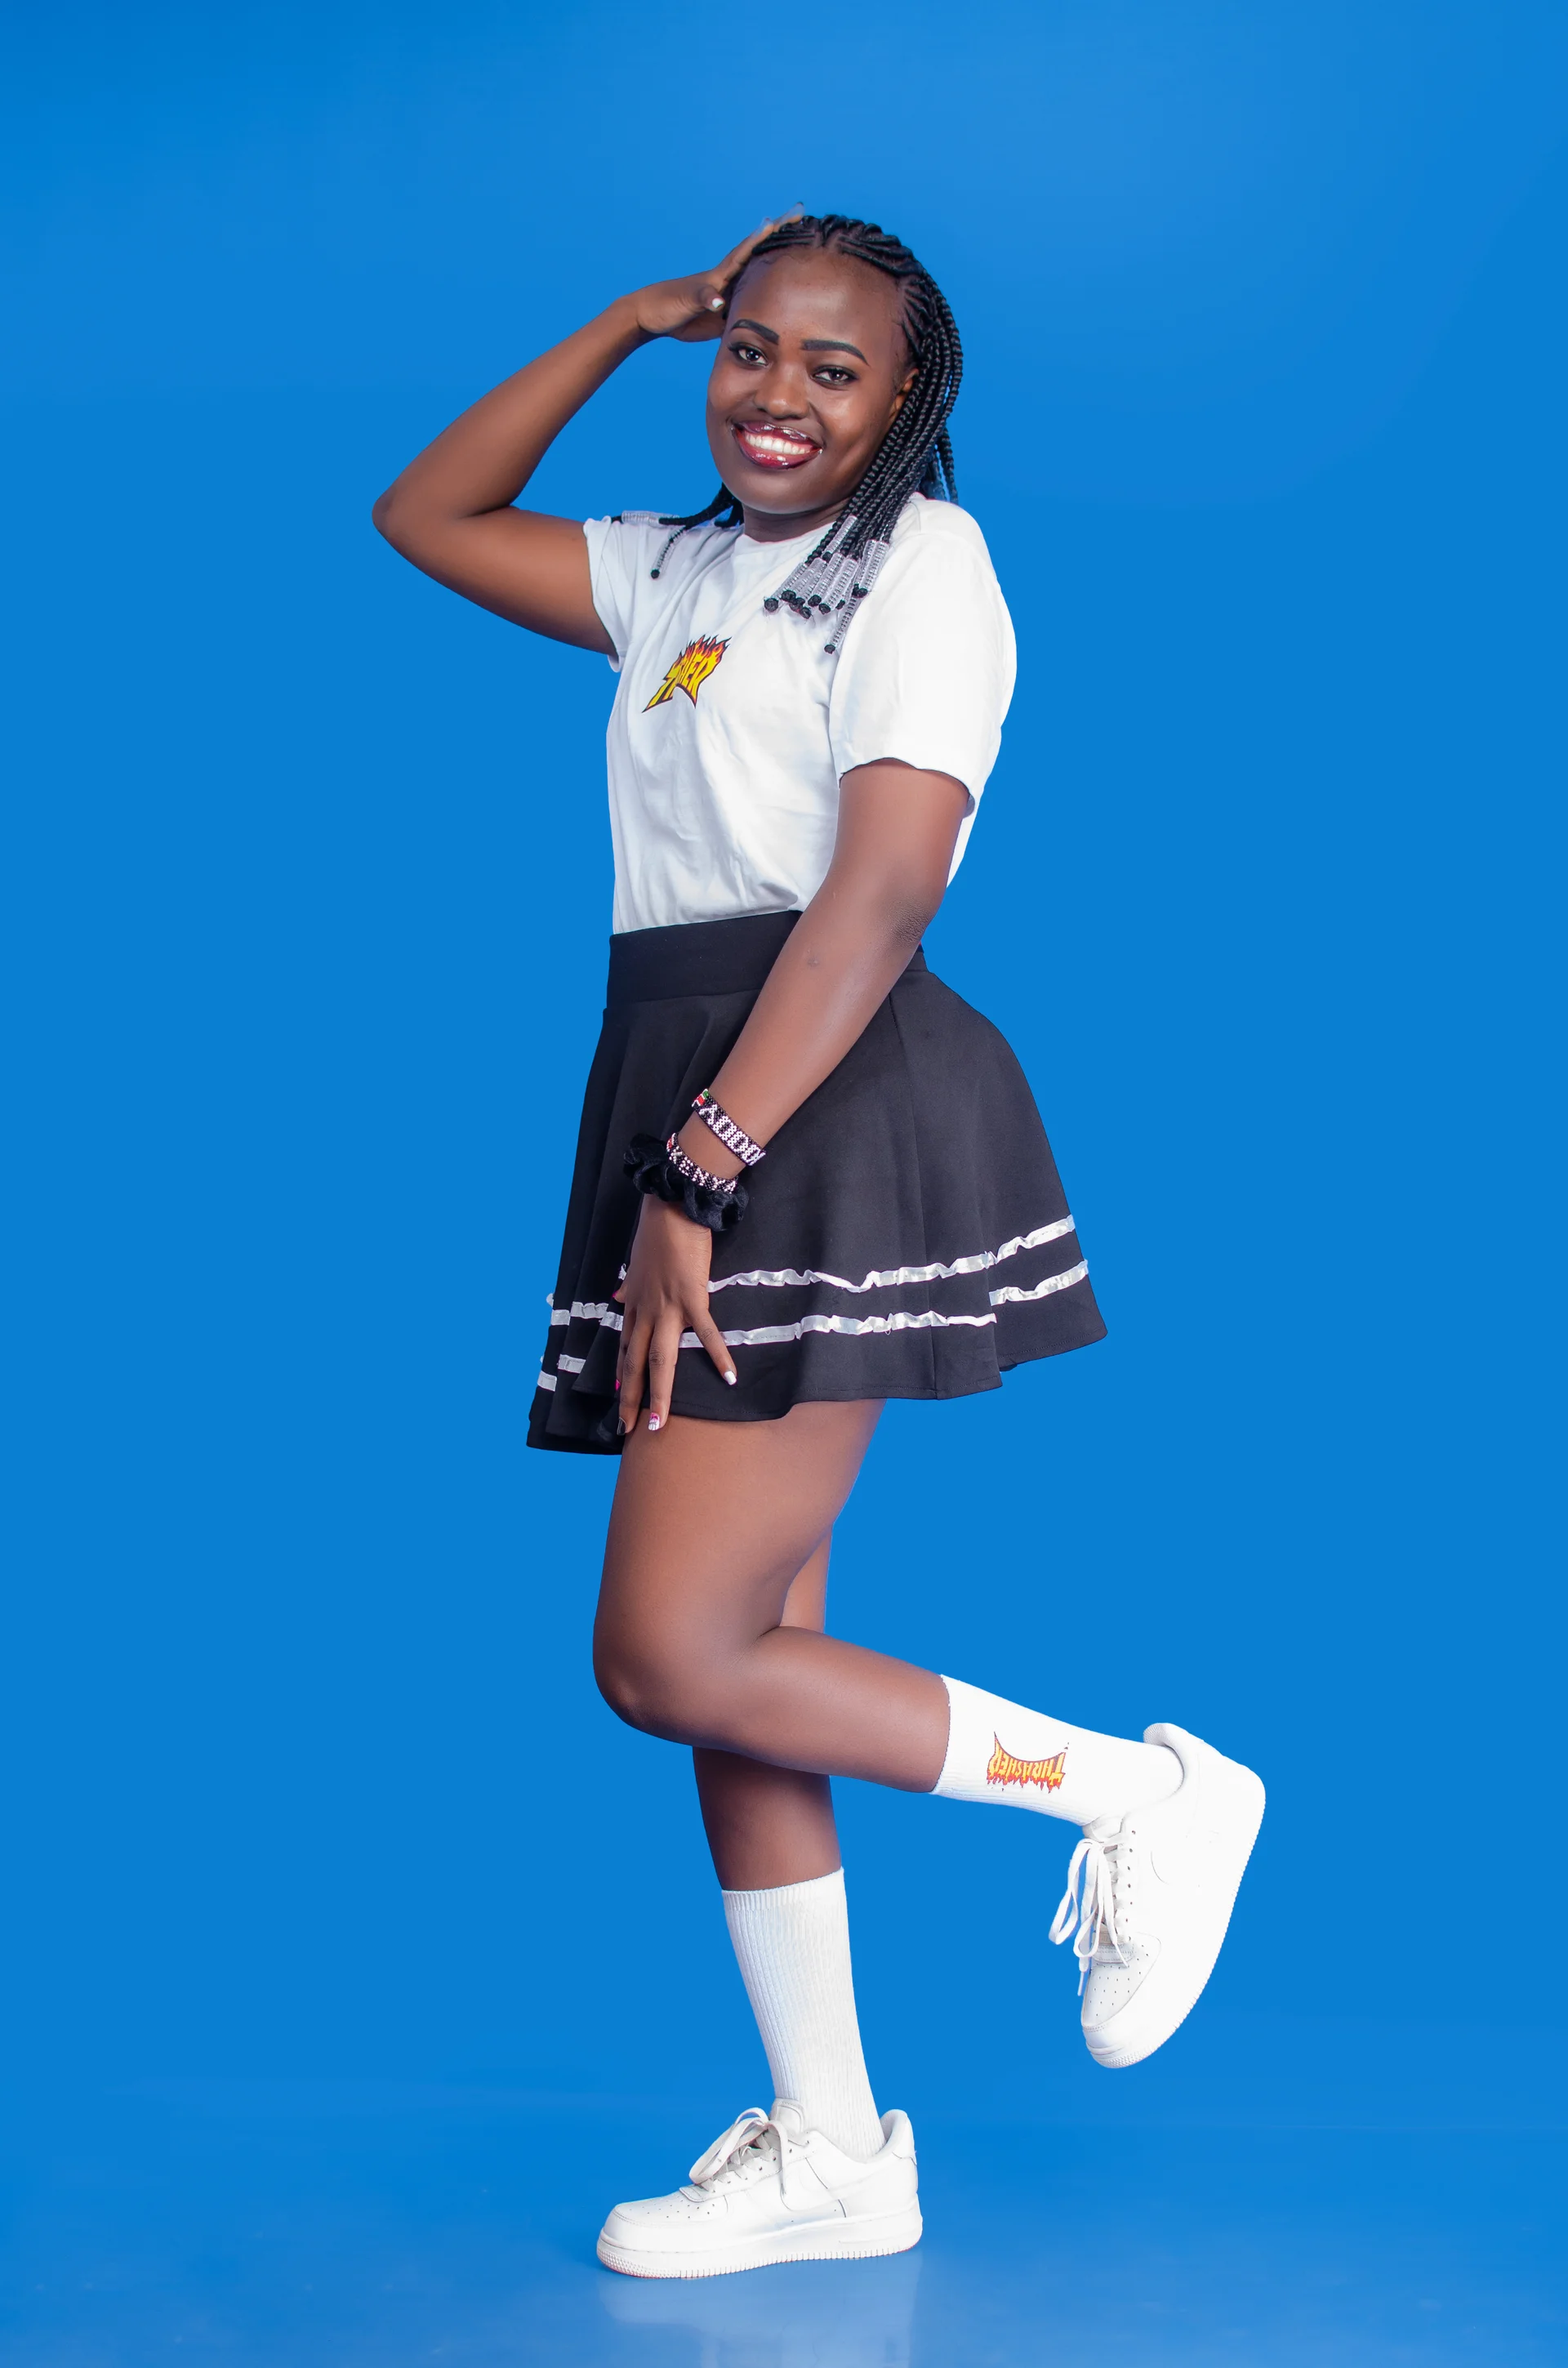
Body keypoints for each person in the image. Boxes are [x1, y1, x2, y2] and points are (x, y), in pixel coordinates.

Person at [373, 209, 1264, 2281]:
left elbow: (880, 892)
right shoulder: (677, 570)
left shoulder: (926, 564)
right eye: (748, 350)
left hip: (807, 1091)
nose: (775, 395)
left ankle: (1136, 1795)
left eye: (832, 366)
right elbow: (428, 514)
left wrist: (698, 1171)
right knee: (751, 1674)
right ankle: (839, 2148)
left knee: (670, 1649)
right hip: (686, 1070)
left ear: (908, 395)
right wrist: (622, 317)